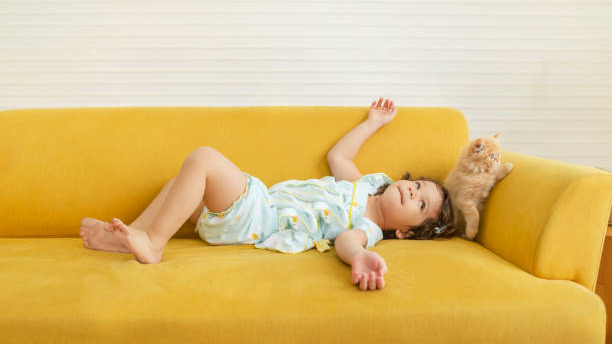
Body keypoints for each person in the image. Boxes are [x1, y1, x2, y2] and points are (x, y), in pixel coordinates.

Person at [80, 97, 455, 291]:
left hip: (260, 217)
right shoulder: (364, 185)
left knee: (204, 159)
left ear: (404, 232)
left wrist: (360, 257)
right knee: (178, 185)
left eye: (421, 205)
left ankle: (154, 243)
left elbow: (346, 242)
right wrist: (372, 123)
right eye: (418, 185)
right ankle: (129, 236)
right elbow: (338, 156)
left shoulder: (368, 226)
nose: (412, 191)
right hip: (255, 205)